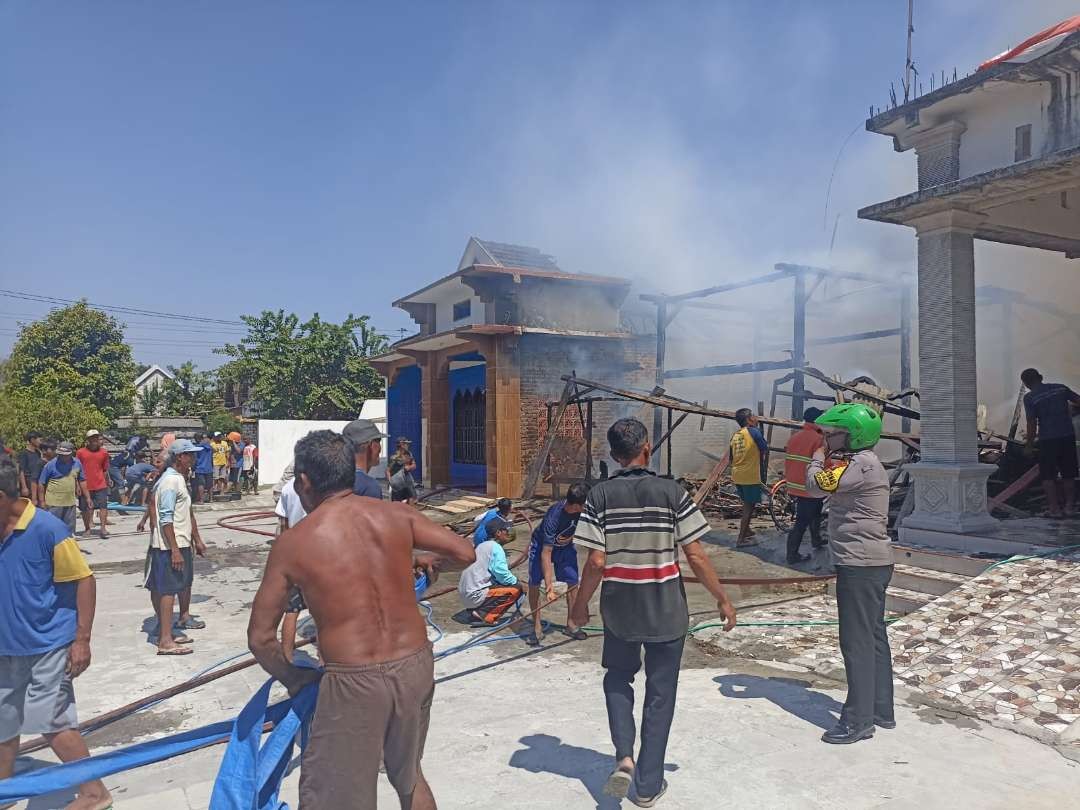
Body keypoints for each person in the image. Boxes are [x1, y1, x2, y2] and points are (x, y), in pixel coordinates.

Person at [247, 430, 476, 810]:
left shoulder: (294, 544)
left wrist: (295, 678)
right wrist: (423, 562)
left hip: (354, 678)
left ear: (304, 482)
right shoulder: (398, 515)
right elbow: (465, 553)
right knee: (409, 775)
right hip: (415, 664)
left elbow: (260, 638)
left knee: (336, 797)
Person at [570, 418, 736, 806]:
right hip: (665, 609)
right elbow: (694, 553)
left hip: (620, 609)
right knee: (661, 694)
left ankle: (624, 755)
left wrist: (579, 609)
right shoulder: (672, 492)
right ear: (647, 448)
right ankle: (647, 785)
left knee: (617, 679)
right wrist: (722, 598)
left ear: (613, 456)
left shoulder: (599, 496)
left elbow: (596, 562)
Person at [0, 458, 113, 810]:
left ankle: (95, 793)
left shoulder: (47, 529)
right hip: (7, 646)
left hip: (49, 644)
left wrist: (82, 639)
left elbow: (84, 580)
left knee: (52, 722)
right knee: (3, 719)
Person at [806, 403, 894, 745]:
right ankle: (880, 710)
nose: (827, 439)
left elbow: (816, 485)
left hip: (860, 564)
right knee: (873, 637)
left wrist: (816, 458)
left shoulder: (860, 465)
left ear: (852, 434)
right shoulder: (864, 464)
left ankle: (858, 721)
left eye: (832, 433)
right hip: (871, 562)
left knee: (856, 642)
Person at [146, 439, 208, 655]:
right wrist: (174, 550)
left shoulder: (177, 480)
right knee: (168, 591)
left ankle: (167, 633)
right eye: (190, 454)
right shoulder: (171, 482)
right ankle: (165, 640)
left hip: (178, 542)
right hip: (171, 545)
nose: (194, 458)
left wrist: (196, 539)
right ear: (180, 457)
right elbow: (166, 518)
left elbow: (186, 514)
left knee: (168, 589)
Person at [526, 484, 590, 646]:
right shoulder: (554, 516)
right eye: (585, 504)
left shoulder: (583, 512)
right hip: (542, 546)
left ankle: (571, 624)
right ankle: (537, 627)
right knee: (534, 583)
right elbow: (546, 554)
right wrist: (549, 586)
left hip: (565, 548)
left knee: (573, 581)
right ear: (576, 505)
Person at [1021, 368, 1080, 517]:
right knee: (1069, 473)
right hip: (1067, 436)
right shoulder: (1060, 388)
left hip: (1047, 439)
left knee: (1048, 476)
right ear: (1040, 377)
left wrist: (1029, 445)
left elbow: (1031, 422)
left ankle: (1054, 510)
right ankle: (1069, 508)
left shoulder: (1030, 397)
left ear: (1026, 383)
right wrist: (1070, 412)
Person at [459, 517, 526, 625]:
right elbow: (501, 574)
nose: (508, 532)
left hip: (467, 595)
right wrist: (518, 583)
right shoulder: (496, 548)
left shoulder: (482, 545)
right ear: (498, 533)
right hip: (474, 595)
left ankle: (476, 610)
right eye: (506, 530)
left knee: (502, 583)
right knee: (515, 589)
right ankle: (484, 615)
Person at [783, 406, 827, 564]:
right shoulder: (818, 439)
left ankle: (816, 540)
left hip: (795, 485)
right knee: (801, 523)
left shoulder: (795, 437)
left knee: (815, 514)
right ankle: (792, 555)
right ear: (817, 421)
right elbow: (824, 462)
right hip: (809, 487)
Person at [274, 475, 309, 662]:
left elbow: (283, 524)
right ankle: (324, 660)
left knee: (292, 610)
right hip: (316, 555)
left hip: (294, 555)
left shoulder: (288, 487)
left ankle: (287, 656)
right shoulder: (321, 484)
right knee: (321, 612)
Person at [729, 408, 768, 548]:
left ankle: (747, 530)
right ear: (748, 419)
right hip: (749, 476)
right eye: (754, 416)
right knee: (749, 507)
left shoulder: (736, 435)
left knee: (746, 503)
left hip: (737, 474)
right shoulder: (754, 432)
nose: (756, 418)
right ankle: (741, 539)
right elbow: (764, 448)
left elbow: (731, 458)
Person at [38, 442, 89, 535]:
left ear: (71, 453)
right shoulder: (50, 465)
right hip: (53, 504)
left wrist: (88, 497)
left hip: (70, 503)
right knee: (53, 529)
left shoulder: (77, 463)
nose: (63, 457)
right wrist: (42, 501)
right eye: (60, 455)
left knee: (69, 530)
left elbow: (82, 480)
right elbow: (41, 483)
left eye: (65, 455)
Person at [76, 430, 111, 539]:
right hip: (85, 485)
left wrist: (107, 481)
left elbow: (105, 469)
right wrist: (77, 485)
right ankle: (87, 528)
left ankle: (103, 528)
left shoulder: (104, 453)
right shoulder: (80, 452)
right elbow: (76, 470)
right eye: (92, 438)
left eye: (96, 437)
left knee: (103, 506)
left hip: (100, 484)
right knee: (85, 508)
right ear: (88, 440)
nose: (95, 440)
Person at [343, 418, 386, 499]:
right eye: (378, 441)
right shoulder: (369, 487)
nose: (380, 447)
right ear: (371, 445)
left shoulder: (333, 482)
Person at [387, 437, 418, 504]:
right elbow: (388, 471)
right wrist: (391, 481)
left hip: (406, 482)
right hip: (397, 483)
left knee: (411, 500)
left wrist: (409, 467)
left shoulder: (408, 454)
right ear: (401, 445)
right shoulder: (394, 457)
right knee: (397, 503)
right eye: (406, 444)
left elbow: (414, 465)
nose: (408, 446)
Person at [16, 431, 43, 501]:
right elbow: (21, 471)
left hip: (36, 482)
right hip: (28, 482)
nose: (40, 442)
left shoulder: (38, 453)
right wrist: (24, 487)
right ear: (32, 440)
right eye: (39, 440)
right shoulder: (24, 454)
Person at [32, 439, 57, 506]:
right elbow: (34, 481)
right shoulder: (40, 463)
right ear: (44, 451)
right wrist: (34, 499)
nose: (55, 451)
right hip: (44, 496)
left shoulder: (56, 462)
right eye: (52, 449)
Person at [193, 432, 215, 504]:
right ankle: (211, 499)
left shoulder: (197, 448)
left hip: (200, 468)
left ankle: (201, 500)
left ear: (197, 439)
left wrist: (193, 467)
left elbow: (195, 459)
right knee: (210, 484)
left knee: (200, 484)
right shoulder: (210, 447)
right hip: (209, 468)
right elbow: (212, 456)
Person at [210, 432, 230, 496]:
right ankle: (211, 491)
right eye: (216, 436)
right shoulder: (212, 444)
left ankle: (221, 491)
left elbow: (227, 453)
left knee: (222, 478)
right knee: (215, 478)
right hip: (215, 463)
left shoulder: (224, 443)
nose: (218, 437)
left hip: (223, 463)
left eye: (219, 436)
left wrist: (227, 462)